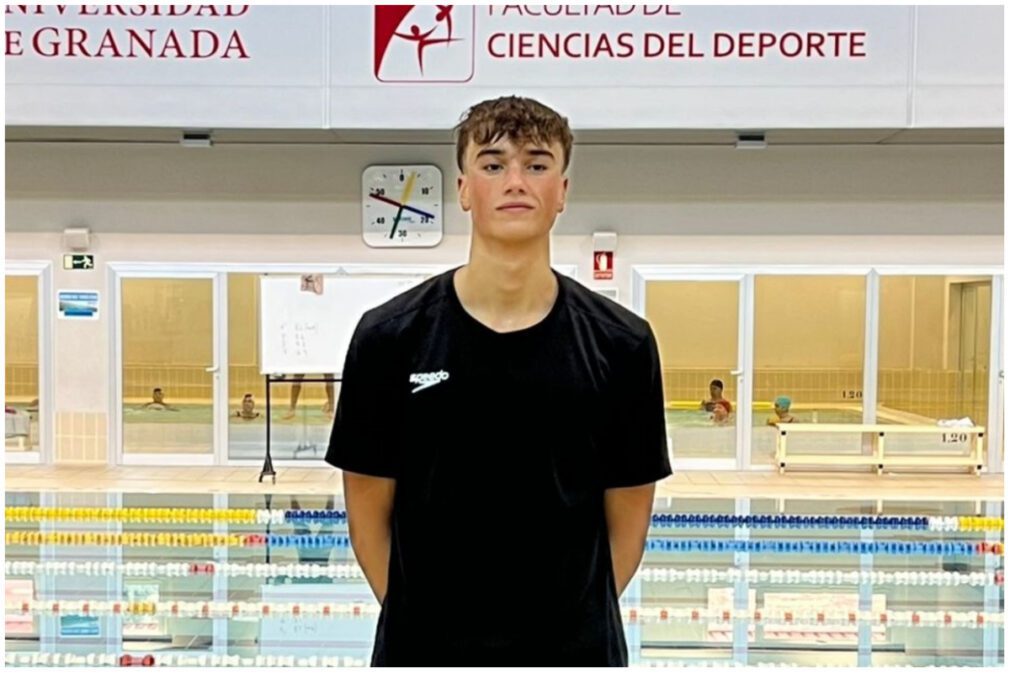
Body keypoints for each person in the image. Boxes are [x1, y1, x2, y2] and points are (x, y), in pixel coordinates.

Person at [325, 96, 672, 666]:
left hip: (573, 652)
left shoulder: (622, 344)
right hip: (425, 651)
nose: (516, 181)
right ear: (463, 189)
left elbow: (628, 523)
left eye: (536, 164)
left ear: (562, 190)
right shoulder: (389, 337)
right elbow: (367, 517)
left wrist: (563, 626)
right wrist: (429, 622)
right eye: (493, 164)